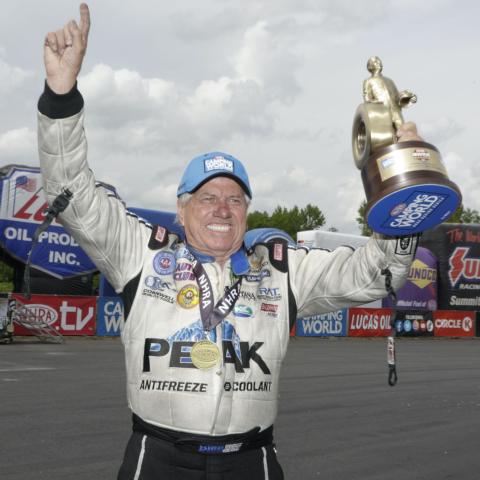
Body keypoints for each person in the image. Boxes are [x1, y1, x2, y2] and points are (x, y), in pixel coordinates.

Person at [38, 4, 422, 479]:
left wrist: (400, 196)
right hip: (157, 458)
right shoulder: (140, 253)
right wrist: (61, 97)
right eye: (207, 197)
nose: (222, 207)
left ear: (247, 211)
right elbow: (69, 193)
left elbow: (376, 273)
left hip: (251, 460)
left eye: (235, 199)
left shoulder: (281, 270)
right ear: (181, 209)